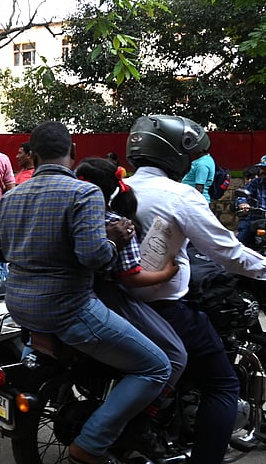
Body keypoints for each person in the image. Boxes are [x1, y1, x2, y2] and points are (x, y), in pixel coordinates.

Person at [0, 121, 170, 464]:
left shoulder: (10, 196)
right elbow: (93, 257)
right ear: (73, 154)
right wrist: (113, 237)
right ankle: (91, 445)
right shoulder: (84, 194)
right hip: (69, 309)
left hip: (20, 306)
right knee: (156, 366)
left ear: (32, 156)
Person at [125, 115, 266, 464]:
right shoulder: (180, 196)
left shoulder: (119, 187)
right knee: (222, 384)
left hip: (116, 304)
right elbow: (225, 251)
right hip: (164, 306)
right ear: (175, 156)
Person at [75, 157, 187, 393]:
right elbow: (130, 277)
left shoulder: (71, 218)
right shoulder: (119, 225)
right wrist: (166, 274)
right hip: (109, 298)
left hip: (69, 295)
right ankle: (146, 415)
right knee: (176, 356)